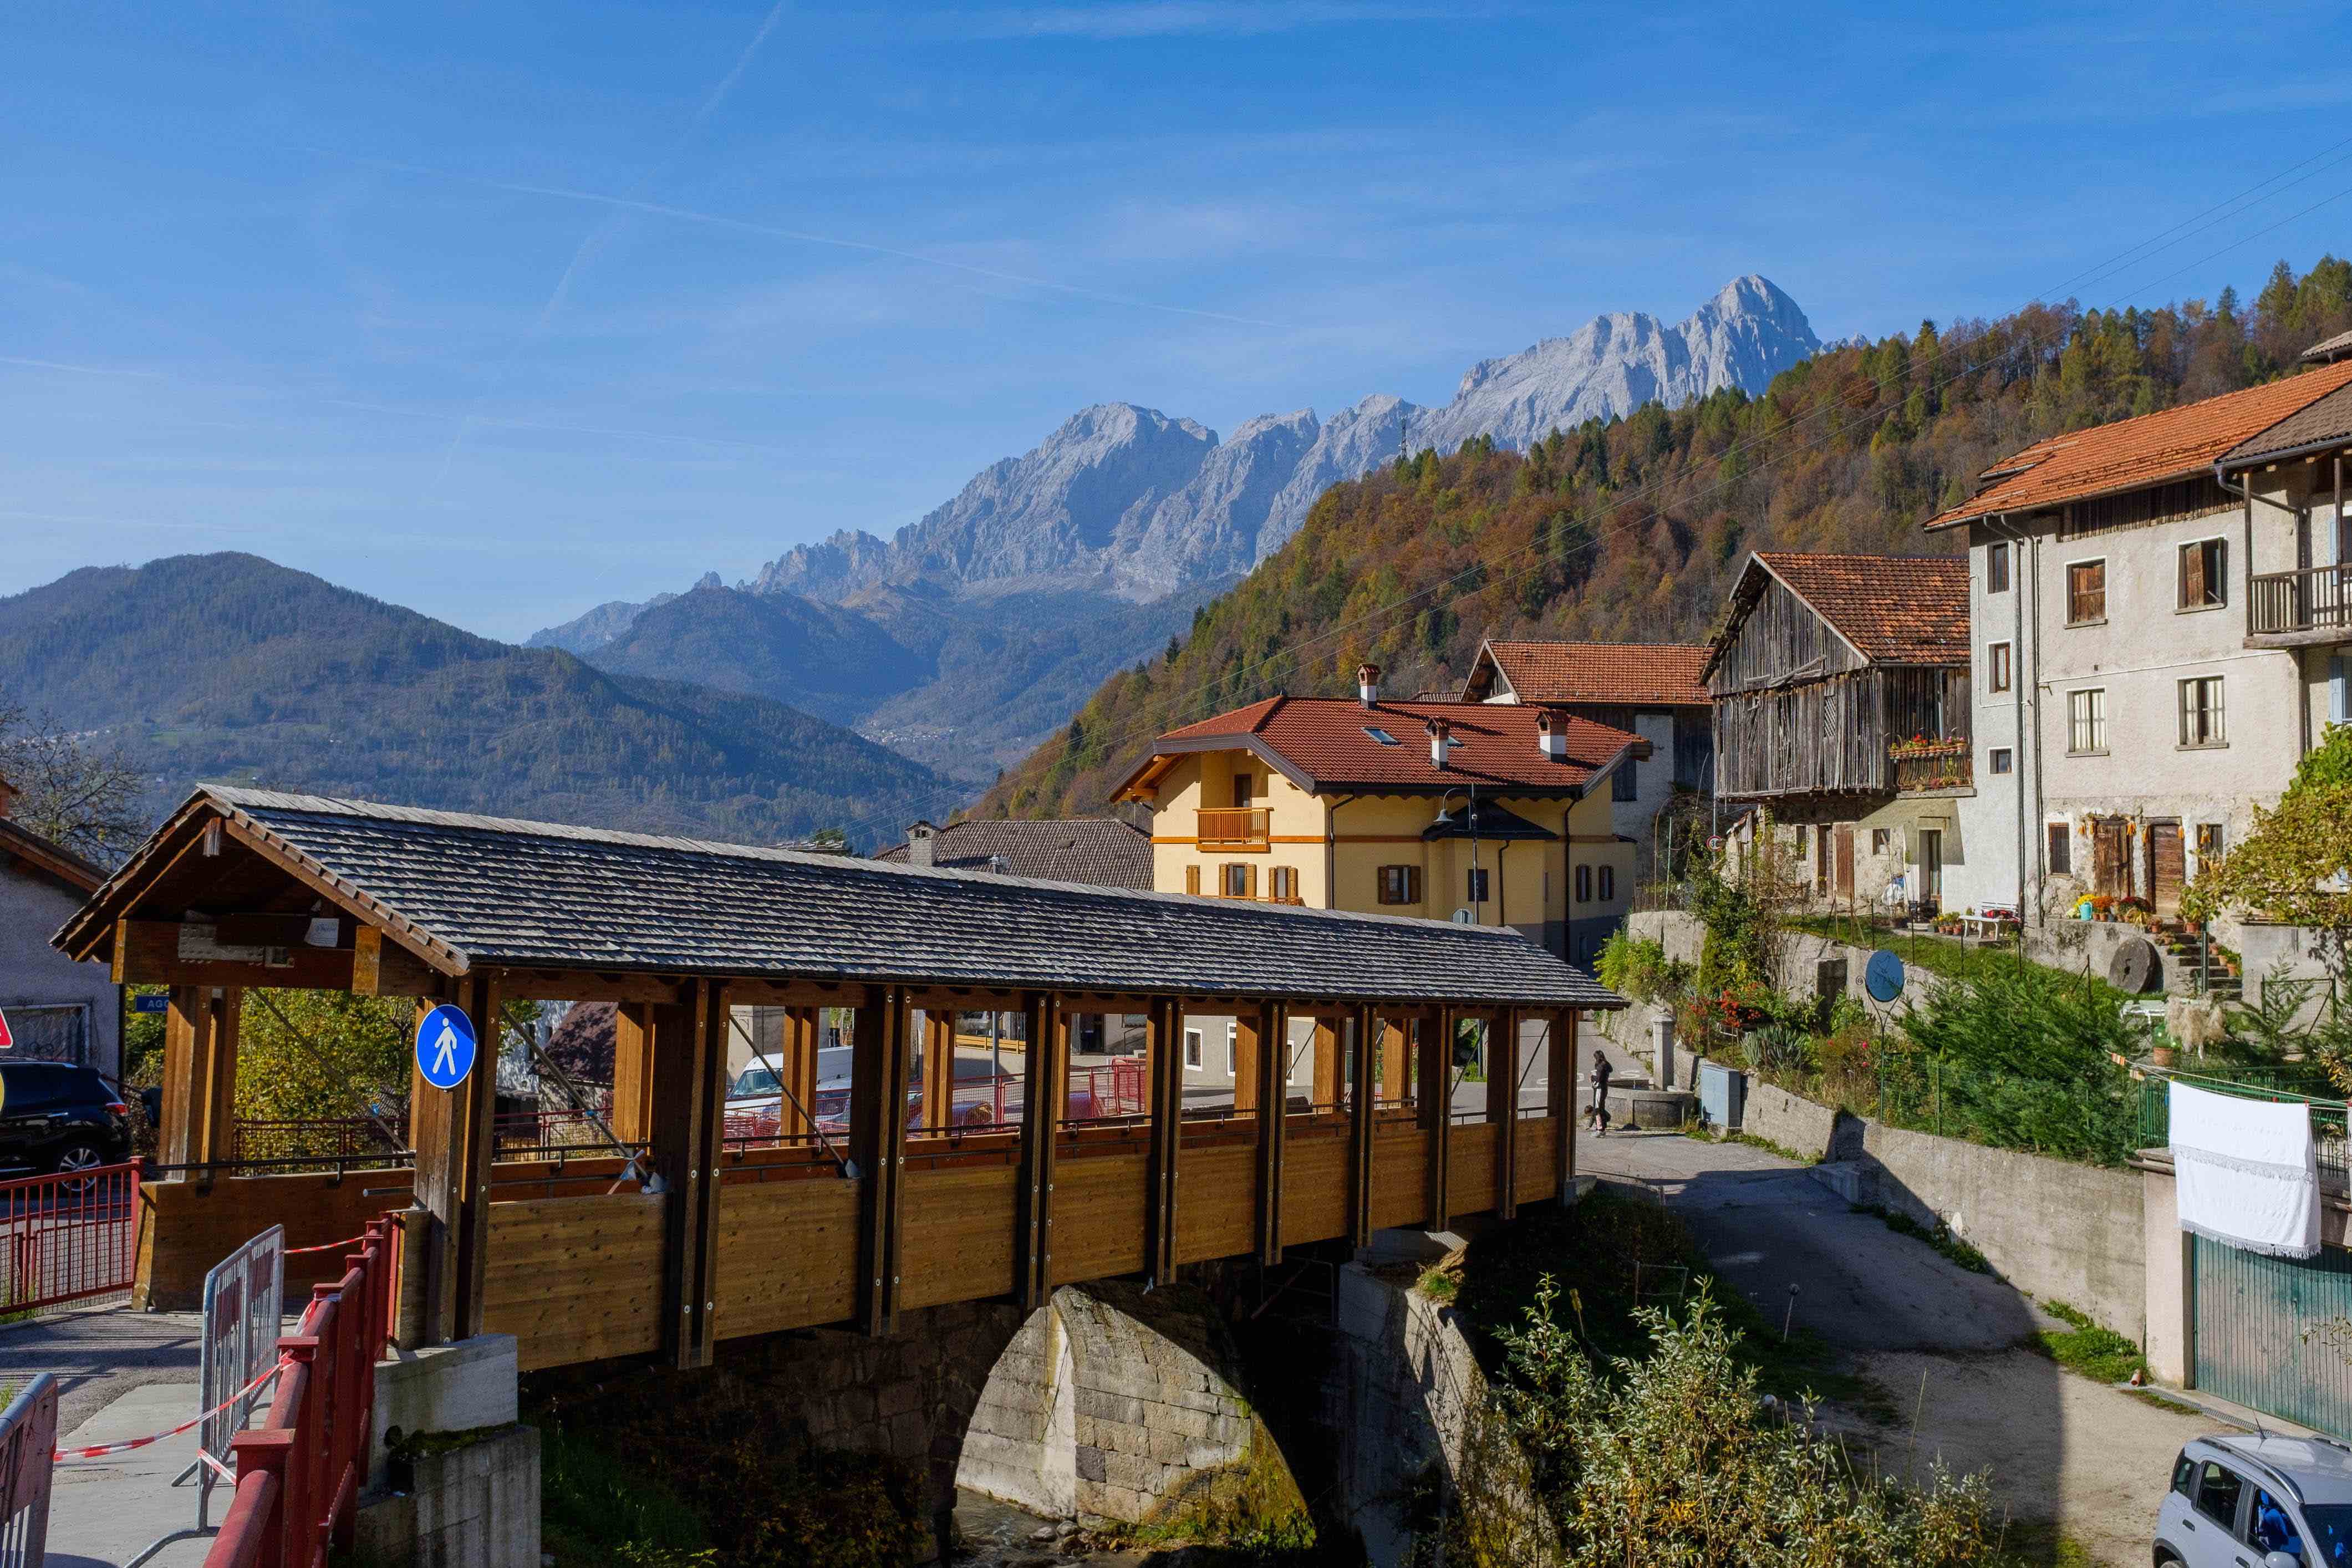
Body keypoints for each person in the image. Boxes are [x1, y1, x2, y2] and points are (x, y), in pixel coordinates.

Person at [1585, 1049, 1613, 1136]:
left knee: (1597, 1109)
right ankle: (1603, 1128)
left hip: (1599, 1089)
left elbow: (1599, 1078)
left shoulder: (1600, 1066)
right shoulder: (1606, 1064)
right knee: (1601, 1108)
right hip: (1604, 1088)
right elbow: (1610, 1070)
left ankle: (1600, 1129)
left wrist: (1593, 1077)